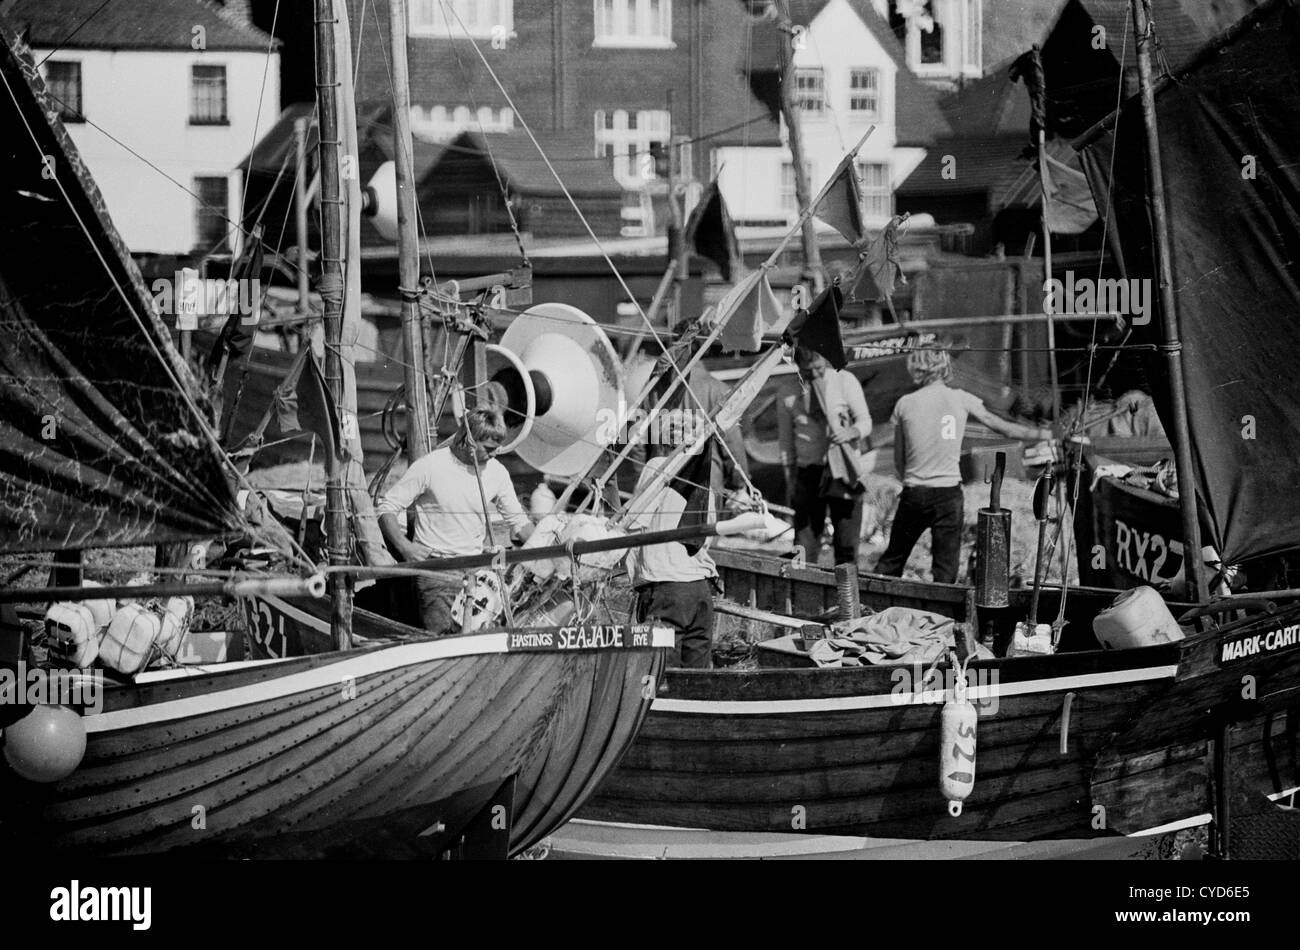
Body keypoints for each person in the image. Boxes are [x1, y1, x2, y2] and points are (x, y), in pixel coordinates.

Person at [875, 346, 1052, 583]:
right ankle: (942, 615)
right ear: (945, 367)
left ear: (916, 368)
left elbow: (899, 459)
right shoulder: (961, 398)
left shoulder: (905, 403)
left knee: (892, 560)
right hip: (948, 495)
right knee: (945, 568)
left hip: (915, 492)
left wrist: (910, 479)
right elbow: (1003, 427)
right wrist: (1046, 434)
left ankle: (873, 603)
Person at [377, 407, 533, 634]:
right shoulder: (430, 466)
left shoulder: (497, 472)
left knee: (482, 639)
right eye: (489, 449)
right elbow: (386, 507)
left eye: (497, 449)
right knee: (443, 641)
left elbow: (519, 523)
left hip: (476, 574)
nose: (494, 454)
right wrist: (405, 547)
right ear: (467, 440)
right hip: (436, 572)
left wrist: (548, 545)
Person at [777, 346, 872, 565]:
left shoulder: (845, 381)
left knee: (847, 541)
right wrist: (790, 479)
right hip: (809, 471)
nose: (815, 375)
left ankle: (848, 594)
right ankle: (800, 588)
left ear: (825, 361)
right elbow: (786, 444)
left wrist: (852, 432)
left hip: (842, 469)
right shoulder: (787, 392)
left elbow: (865, 421)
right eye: (808, 371)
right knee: (803, 541)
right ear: (798, 367)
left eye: (819, 368)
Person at [625, 449, 719, 669]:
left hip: (667, 591)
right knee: (696, 681)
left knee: (659, 674)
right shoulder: (703, 479)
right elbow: (707, 537)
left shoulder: (658, 465)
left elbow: (634, 521)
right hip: (700, 590)